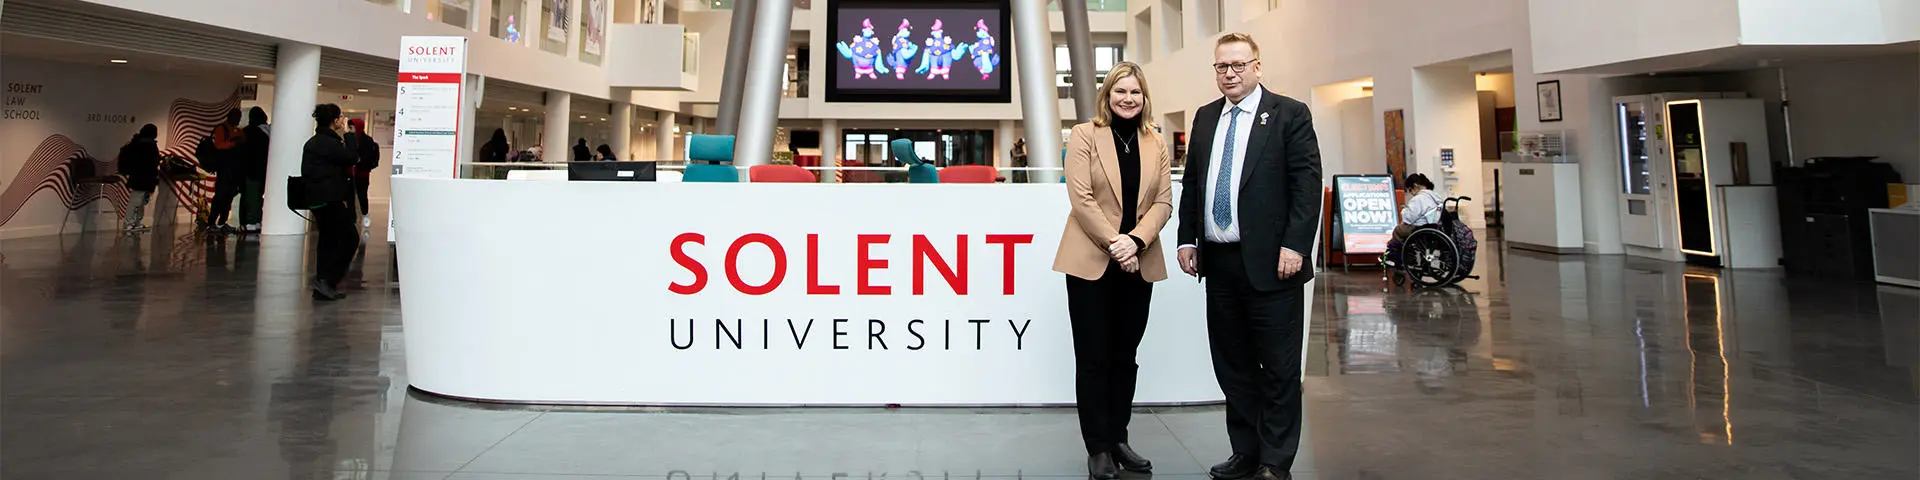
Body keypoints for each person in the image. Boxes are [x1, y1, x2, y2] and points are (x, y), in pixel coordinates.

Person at [1174, 33, 1321, 480]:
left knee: (1278, 368)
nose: (1230, 74)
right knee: (1232, 364)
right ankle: (1246, 450)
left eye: (1238, 65)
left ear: (1257, 66)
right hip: (1219, 263)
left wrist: (1296, 245)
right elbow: (1195, 184)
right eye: (1222, 67)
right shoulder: (1204, 118)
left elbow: (1307, 185)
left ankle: (1275, 461)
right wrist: (1187, 239)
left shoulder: (1289, 114)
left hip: (1275, 263)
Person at [1051, 62, 1173, 480]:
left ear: (1144, 98)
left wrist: (1135, 241)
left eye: (1135, 92)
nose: (1127, 98)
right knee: (1093, 358)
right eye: (1120, 91)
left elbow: (1163, 202)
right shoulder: (1085, 135)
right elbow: (1081, 199)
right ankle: (1098, 448)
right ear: (1107, 95)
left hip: (1138, 261)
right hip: (1091, 262)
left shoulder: (1155, 141)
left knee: (1125, 357)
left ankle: (1119, 438)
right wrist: (1117, 244)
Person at [303, 104, 360, 301]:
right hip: (331, 199)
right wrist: (350, 136)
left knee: (327, 240)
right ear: (335, 120)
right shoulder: (330, 143)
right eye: (340, 117)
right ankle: (328, 280)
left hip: (317, 199)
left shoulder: (312, 143)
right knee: (350, 238)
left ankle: (322, 282)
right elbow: (351, 158)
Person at [116, 124, 162, 232]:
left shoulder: (137, 144)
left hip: (142, 177)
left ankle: (135, 222)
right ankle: (129, 223)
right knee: (137, 201)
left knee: (140, 201)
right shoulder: (145, 145)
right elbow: (148, 161)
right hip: (143, 177)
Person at [206, 108, 246, 232]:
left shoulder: (239, 131)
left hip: (234, 170)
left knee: (229, 196)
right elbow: (219, 145)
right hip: (224, 169)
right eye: (236, 117)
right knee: (220, 196)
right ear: (230, 117)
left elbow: (244, 142)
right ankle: (211, 222)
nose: (238, 120)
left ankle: (222, 223)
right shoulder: (221, 129)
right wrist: (233, 143)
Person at [238, 107, 270, 234]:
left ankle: (248, 223)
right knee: (257, 197)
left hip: (248, 171)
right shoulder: (265, 133)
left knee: (248, 197)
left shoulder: (246, 132)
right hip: (261, 171)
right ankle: (256, 221)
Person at [348, 118, 380, 228]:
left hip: (362, 174)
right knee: (351, 197)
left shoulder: (367, 141)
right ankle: (352, 219)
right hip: (350, 174)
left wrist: (359, 160)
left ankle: (364, 216)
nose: (350, 130)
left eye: (352, 127)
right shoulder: (349, 140)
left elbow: (367, 158)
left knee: (362, 196)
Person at [1394, 173, 1443, 240]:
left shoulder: (1419, 198)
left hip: (1421, 229)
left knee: (1399, 229)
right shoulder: (1436, 197)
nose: (1411, 193)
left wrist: (1404, 211)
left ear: (1415, 185)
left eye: (1410, 190)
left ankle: (1395, 249)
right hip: (1435, 228)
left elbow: (1409, 218)